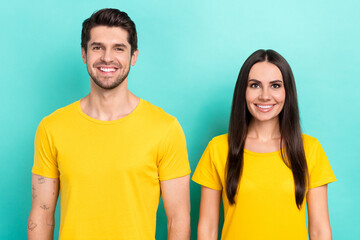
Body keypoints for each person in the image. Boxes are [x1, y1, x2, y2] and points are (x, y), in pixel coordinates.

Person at [28, 8, 191, 240]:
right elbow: (41, 216)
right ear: (84, 54)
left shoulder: (165, 128)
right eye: (97, 47)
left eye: (118, 48)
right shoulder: (52, 127)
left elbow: (178, 219)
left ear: (133, 56)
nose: (107, 57)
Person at [192, 49, 336, 240]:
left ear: (287, 92)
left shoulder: (309, 149)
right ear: (243, 90)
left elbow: (319, 230)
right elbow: (208, 229)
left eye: (275, 86)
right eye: (255, 85)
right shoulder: (218, 148)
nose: (265, 96)